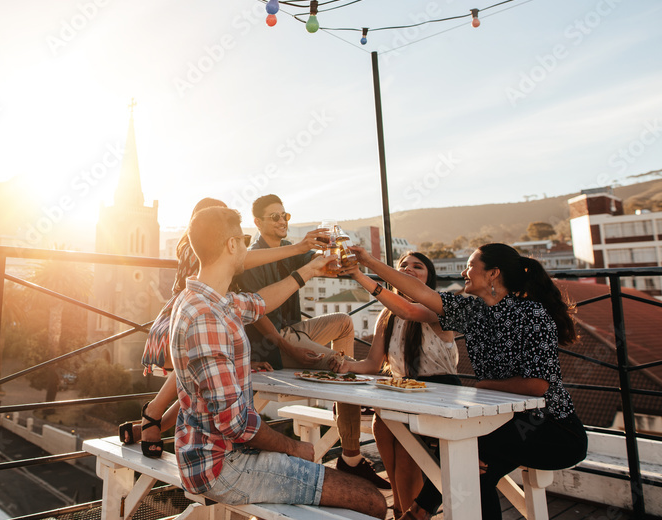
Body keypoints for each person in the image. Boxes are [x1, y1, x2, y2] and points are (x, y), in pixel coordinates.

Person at [169, 206, 387, 517]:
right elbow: (234, 423)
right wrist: (295, 448)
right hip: (224, 467)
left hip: (205, 454)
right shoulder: (207, 318)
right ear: (232, 245)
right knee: (372, 501)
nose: (247, 245)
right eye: (243, 239)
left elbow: (259, 303)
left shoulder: (204, 301)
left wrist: (311, 269)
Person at [349, 243, 587, 520]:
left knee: (466, 460)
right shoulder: (473, 310)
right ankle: (418, 512)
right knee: (473, 469)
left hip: (551, 429)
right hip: (502, 426)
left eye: (471, 266)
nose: (464, 271)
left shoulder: (531, 314)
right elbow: (417, 297)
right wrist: (367, 263)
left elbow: (538, 386)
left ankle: (417, 512)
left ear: (493, 274)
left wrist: (485, 386)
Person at [120, 197, 329, 457]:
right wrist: (297, 249)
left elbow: (254, 299)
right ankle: (152, 413)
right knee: (194, 368)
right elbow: (248, 260)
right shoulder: (194, 247)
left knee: (196, 385)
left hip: (213, 310)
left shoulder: (217, 271)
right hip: (188, 314)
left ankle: (153, 423)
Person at [235, 194, 390, 489]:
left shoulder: (287, 249)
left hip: (295, 329)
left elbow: (322, 265)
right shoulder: (254, 256)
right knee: (345, 370)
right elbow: (256, 314)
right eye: (275, 217)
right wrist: (288, 347)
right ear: (257, 222)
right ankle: (352, 454)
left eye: (285, 216)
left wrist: (341, 256)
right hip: (273, 342)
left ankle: (342, 395)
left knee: (344, 322)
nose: (282, 221)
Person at [338, 252, 459, 516]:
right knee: (381, 425)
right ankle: (400, 509)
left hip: (437, 393)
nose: (408, 269)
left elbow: (408, 309)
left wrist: (359, 273)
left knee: (407, 451)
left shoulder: (438, 308)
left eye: (418, 266)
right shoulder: (387, 314)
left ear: (429, 278)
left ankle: (410, 513)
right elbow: (371, 364)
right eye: (403, 265)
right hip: (400, 391)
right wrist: (344, 365)